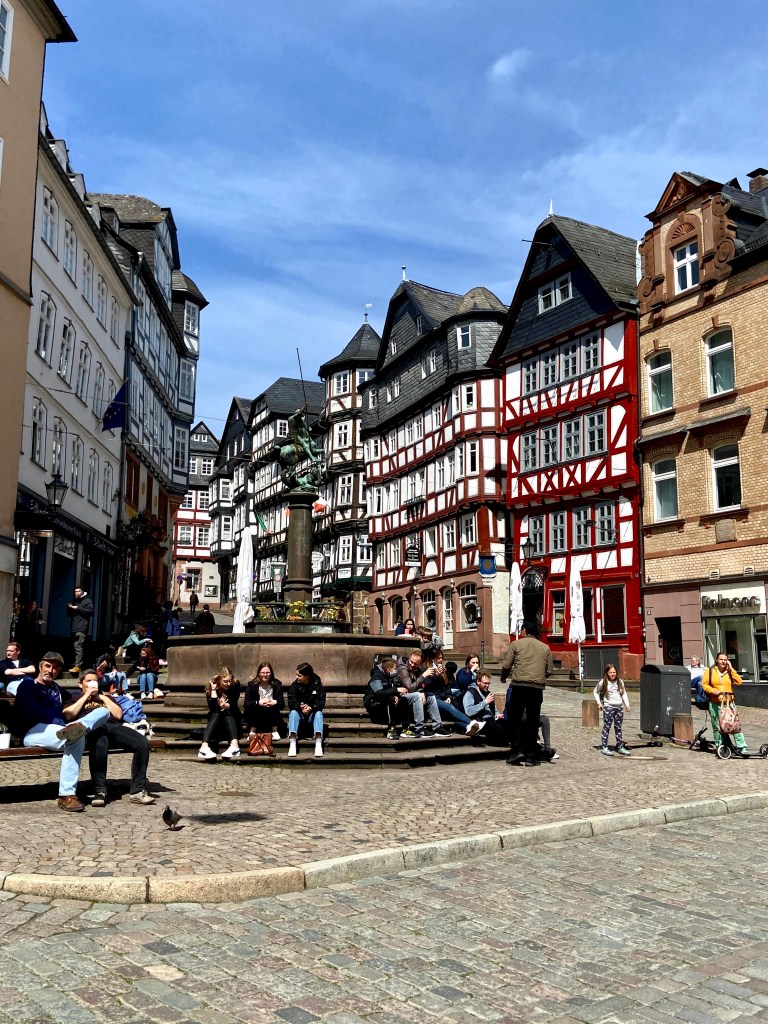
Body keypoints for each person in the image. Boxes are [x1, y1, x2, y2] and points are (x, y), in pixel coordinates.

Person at [13, 651, 110, 811]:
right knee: (76, 737)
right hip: (34, 731)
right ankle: (66, 795)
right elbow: (30, 711)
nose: (50, 670)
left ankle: (79, 727)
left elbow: (73, 700)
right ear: (40, 666)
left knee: (103, 712)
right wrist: (60, 724)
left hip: (60, 731)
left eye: (55, 668)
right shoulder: (28, 685)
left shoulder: (56, 689)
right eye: (48, 666)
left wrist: (94, 695)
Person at [74, 670, 155, 806]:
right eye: (88, 681)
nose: (92, 683)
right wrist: (86, 695)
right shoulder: (75, 697)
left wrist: (103, 697)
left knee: (142, 743)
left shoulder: (106, 697)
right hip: (91, 729)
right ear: (80, 684)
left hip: (111, 727)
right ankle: (100, 791)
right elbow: (69, 715)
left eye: (95, 681)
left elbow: (118, 715)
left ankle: (137, 790)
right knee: (100, 741)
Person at [500, 619, 553, 767]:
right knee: (533, 721)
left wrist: (504, 678)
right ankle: (531, 756)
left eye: (521, 630)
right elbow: (549, 670)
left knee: (515, 719)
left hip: (519, 686)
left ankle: (516, 751)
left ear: (524, 630)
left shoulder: (516, 644)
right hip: (536, 688)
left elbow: (507, 665)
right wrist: (538, 676)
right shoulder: (545, 647)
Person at [701, 652, 750, 756]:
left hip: (729, 703)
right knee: (717, 726)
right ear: (717, 660)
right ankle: (721, 746)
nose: (723, 662)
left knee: (734, 725)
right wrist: (712, 690)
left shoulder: (729, 671)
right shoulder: (710, 671)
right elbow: (704, 685)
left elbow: (739, 682)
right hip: (715, 702)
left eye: (725, 660)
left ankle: (742, 747)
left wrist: (731, 669)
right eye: (721, 659)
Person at [423, 652, 482, 736]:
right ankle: (472, 723)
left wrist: (448, 696)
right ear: (432, 659)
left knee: (452, 715)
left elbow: (447, 686)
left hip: (443, 698)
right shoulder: (427, 669)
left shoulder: (442, 669)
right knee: (451, 708)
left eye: (442, 658)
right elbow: (426, 685)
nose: (441, 660)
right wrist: (436, 675)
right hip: (433, 698)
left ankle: (468, 727)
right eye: (438, 658)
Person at [395, 649, 448, 738]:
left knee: (430, 695)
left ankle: (437, 726)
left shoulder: (418, 669)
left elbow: (420, 684)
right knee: (417, 695)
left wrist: (422, 691)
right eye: (411, 662)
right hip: (400, 696)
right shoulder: (402, 669)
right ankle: (419, 728)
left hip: (412, 694)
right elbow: (410, 687)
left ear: (420, 663)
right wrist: (423, 676)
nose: (412, 665)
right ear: (410, 657)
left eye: (415, 664)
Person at [198, 668, 242, 761]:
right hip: (217, 721)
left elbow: (234, 704)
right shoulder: (211, 687)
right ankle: (204, 747)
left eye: (230, 681)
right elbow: (212, 707)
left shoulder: (235, 685)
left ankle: (234, 746)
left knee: (226, 712)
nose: (228, 684)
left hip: (232, 717)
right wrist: (214, 690)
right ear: (219, 680)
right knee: (217, 712)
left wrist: (225, 706)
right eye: (225, 681)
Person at [286, 662, 325, 757]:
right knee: (293, 713)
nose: (296, 677)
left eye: (299, 675)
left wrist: (311, 707)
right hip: (299, 716)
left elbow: (321, 702)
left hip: (312, 716)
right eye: (296, 674)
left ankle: (318, 743)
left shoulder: (317, 685)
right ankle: (292, 743)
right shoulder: (294, 686)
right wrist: (300, 706)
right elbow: (291, 702)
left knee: (319, 714)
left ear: (307, 676)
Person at [363, 657, 408, 739]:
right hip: (373, 704)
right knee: (389, 700)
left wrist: (396, 695)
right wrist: (396, 690)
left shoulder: (388, 677)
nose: (395, 671)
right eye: (394, 669)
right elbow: (379, 693)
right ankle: (391, 729)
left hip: (383, 701)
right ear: (389, 669)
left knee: (403, 699)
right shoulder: (376, 677)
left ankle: (405, 729)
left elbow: (388, 691)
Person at [594, 663, 631, 757]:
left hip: (619, 707)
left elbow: (624, 693)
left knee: (618, 727)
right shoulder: (603, 682)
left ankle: (620, 746)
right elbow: (596, 692)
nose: (612, 674)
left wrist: (627, 704)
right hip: (609, 707)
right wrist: (599, 703)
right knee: (607, 727)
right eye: (610, 672)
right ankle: (604, 747)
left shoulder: (620, 681)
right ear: (607, 673)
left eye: (614, 672)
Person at [463, 672, 510, 746]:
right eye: (485, 683)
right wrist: (485, 702)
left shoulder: (488, 693)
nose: (487, 686)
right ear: (478, 682)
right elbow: (468, 711)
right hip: (480, 721)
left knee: (509, 724)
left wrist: (498, 715)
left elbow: (495, 710)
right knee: (498, 728)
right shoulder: (470, 693)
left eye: (488, 683)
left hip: (492, 719)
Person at [243, 661, 286, 742]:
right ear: (259, 673)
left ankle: (275, 731)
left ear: (271, 673)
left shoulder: (277, 684)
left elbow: (282, 704)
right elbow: (246, 704)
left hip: (271, 716)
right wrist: (258, 702)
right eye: (262, 672)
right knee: (258, 705)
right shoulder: (252, 685)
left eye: (267, 672)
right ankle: (252, 732)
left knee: (271, 704)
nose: (265, 675)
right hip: (256, 716)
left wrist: (275, 702)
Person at [66, 586, 94, 672]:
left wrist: (78, 607)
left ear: (82, 591)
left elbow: (90, 611)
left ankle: (78, 666)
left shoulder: (87, 600)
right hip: (74, 627)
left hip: (82, 628)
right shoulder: (75, 601)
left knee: (78, 646)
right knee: (76, 647)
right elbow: (69, 615)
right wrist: (69, 607)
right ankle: (77, 664)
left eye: (78, 591)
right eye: (75, 591)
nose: (77, 593)